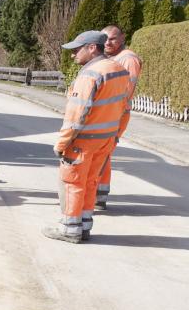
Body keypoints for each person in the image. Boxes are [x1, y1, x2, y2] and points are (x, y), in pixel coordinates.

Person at [43, 31, 132, 244]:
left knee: (72, 183)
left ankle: (69, 229)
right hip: (105, 140)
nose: (73, 55)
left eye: (76, 50)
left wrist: (62, 143)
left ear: (92, 48)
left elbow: (76, 115)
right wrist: (115, 135)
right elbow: (125, 108)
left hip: (83, 141)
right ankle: (84, 226)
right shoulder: (119, 71)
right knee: (91, 182)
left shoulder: (90, 75)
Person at [95, 25, 143, 210]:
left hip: (115, 114)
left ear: (122, 38)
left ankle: (98, 195)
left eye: (113, 39)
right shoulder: (111, 58)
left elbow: (125, 92)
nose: (108, 42)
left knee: (102, 153)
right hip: (108, 113)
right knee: (101, 153)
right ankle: (98, 194)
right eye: (105, 38)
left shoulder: (128, 59)